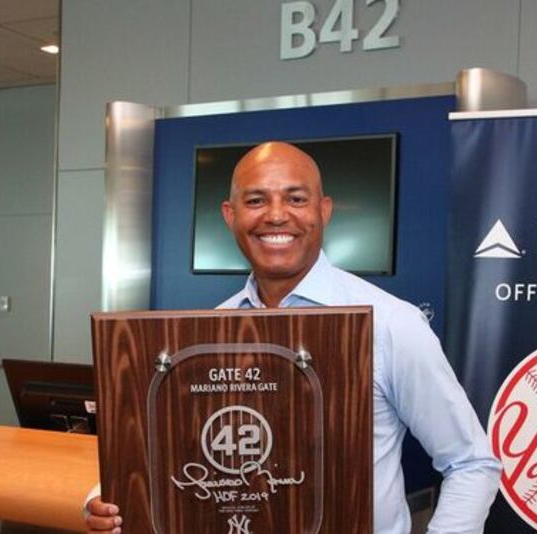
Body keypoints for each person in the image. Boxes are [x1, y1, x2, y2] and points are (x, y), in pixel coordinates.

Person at [86, 142, 500, 533]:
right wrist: (105, 500)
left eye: (296, 198)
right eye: (256, 200)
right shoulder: (208, 334)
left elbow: (471, 462)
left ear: (324, 211)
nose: (276, 215)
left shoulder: (392, 324)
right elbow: (173, 458)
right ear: (230, 216)